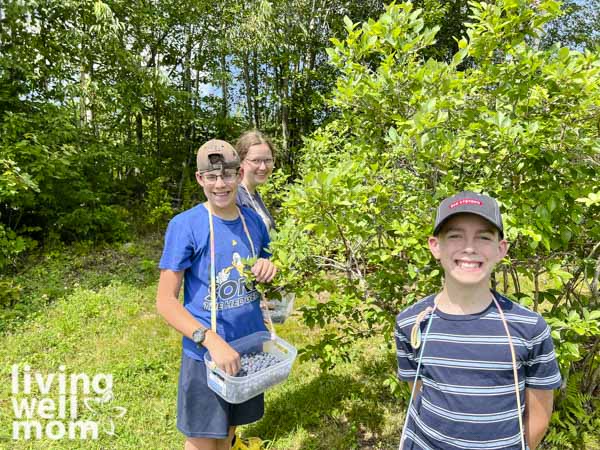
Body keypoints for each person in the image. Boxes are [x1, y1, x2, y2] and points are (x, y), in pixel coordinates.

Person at [395, 191, 562, 450]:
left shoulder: (529, 328)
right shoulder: (412, 323)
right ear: (435, 246)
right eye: (454, 235)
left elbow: (540, 413)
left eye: (483, 237)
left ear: (501, 249)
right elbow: (417, 391)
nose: (469, 247)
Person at [156, 139, 277, 450]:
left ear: (239, 175)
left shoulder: (253, 223)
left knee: (227, 434)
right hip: (207, 356)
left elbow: (269, 272)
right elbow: (165, 301)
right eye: (211, 177)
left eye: (227, 176)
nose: (220, 185)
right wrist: (211, 341)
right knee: (202, 440)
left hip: (248, 349)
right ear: (200, 179)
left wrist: (268, 267)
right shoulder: (186, 225)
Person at [235, 130, 276, 232]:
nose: (263, 167)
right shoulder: (235, 197)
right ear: (241, 162)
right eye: (256, 161)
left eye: (267, 160)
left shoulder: (253, 194)